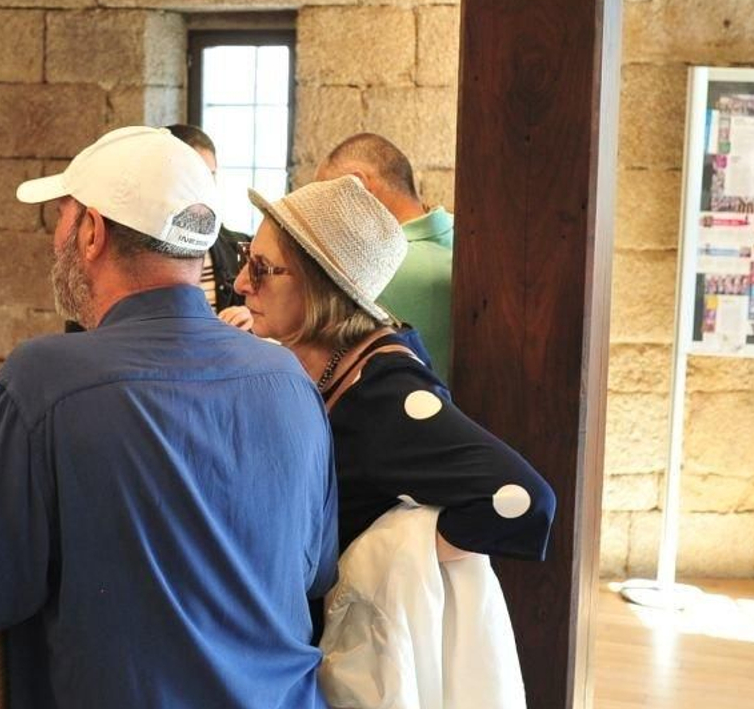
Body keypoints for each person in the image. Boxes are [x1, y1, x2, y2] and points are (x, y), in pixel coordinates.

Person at [0, 126, 340, 709]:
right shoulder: (288, 381)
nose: (55, 235)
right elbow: (313, 571)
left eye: (60, 216)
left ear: (90, 232)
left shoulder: (44, 381)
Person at [237, 175, 554, 565]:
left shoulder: (384, 394)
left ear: (320, 285)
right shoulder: (335, 364)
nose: (240, 284)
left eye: (260, 268)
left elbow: (525, 500)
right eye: (244, 258)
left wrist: (380, 559)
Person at [316, 133, 456, 381]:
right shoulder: (469, 240)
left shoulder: (367, 271)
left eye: (327, 200)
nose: (326, 219)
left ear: (358, 185)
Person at [164, 122, 252, 330]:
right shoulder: (139, 253)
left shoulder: (242, 247)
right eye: (195, 175)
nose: (205, 187)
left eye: (210, 175)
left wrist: (251, 316)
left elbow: (272, 318)